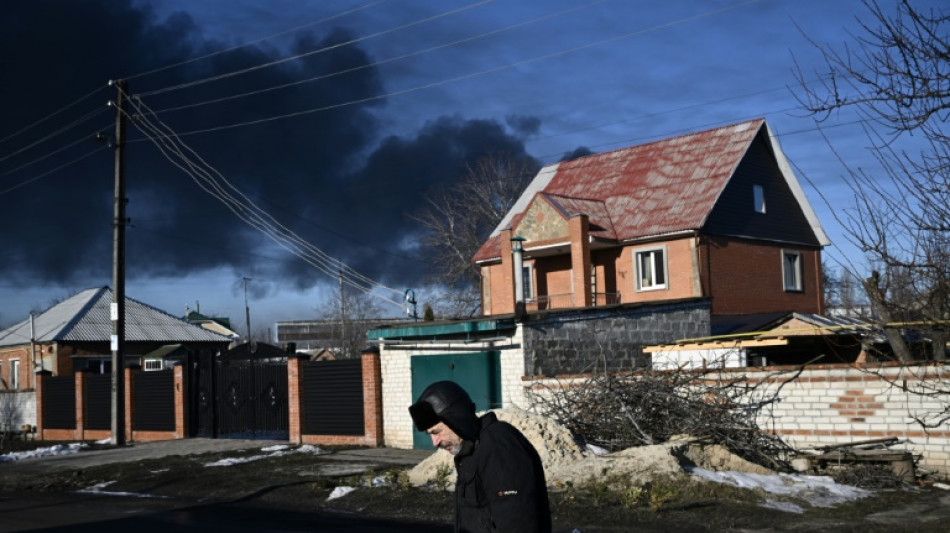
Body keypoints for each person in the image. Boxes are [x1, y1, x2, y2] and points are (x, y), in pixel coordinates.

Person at [409, 380, 551, 533]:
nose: (435, 442)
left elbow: (517, 521)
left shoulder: (498, 446)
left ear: (456, 418)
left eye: (437, 432)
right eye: (430, 435)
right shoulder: (472, 450)